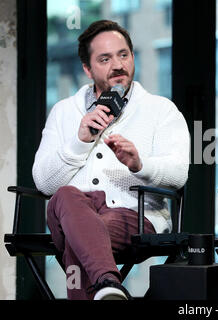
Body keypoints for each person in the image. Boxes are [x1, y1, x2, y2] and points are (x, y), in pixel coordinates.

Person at [32, 20, 190, 300]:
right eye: (105, 59)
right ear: (87, 69)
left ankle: (106, 284)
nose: (118, 65)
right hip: (69, 213)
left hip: (134, 217)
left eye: (123, 55)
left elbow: (178, 174)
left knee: (81, 238)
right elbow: (44, 183)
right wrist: (79, 142)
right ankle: (109, 285)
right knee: (68, 197)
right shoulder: (63, 111)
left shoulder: (161, 110)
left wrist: (139, 165)